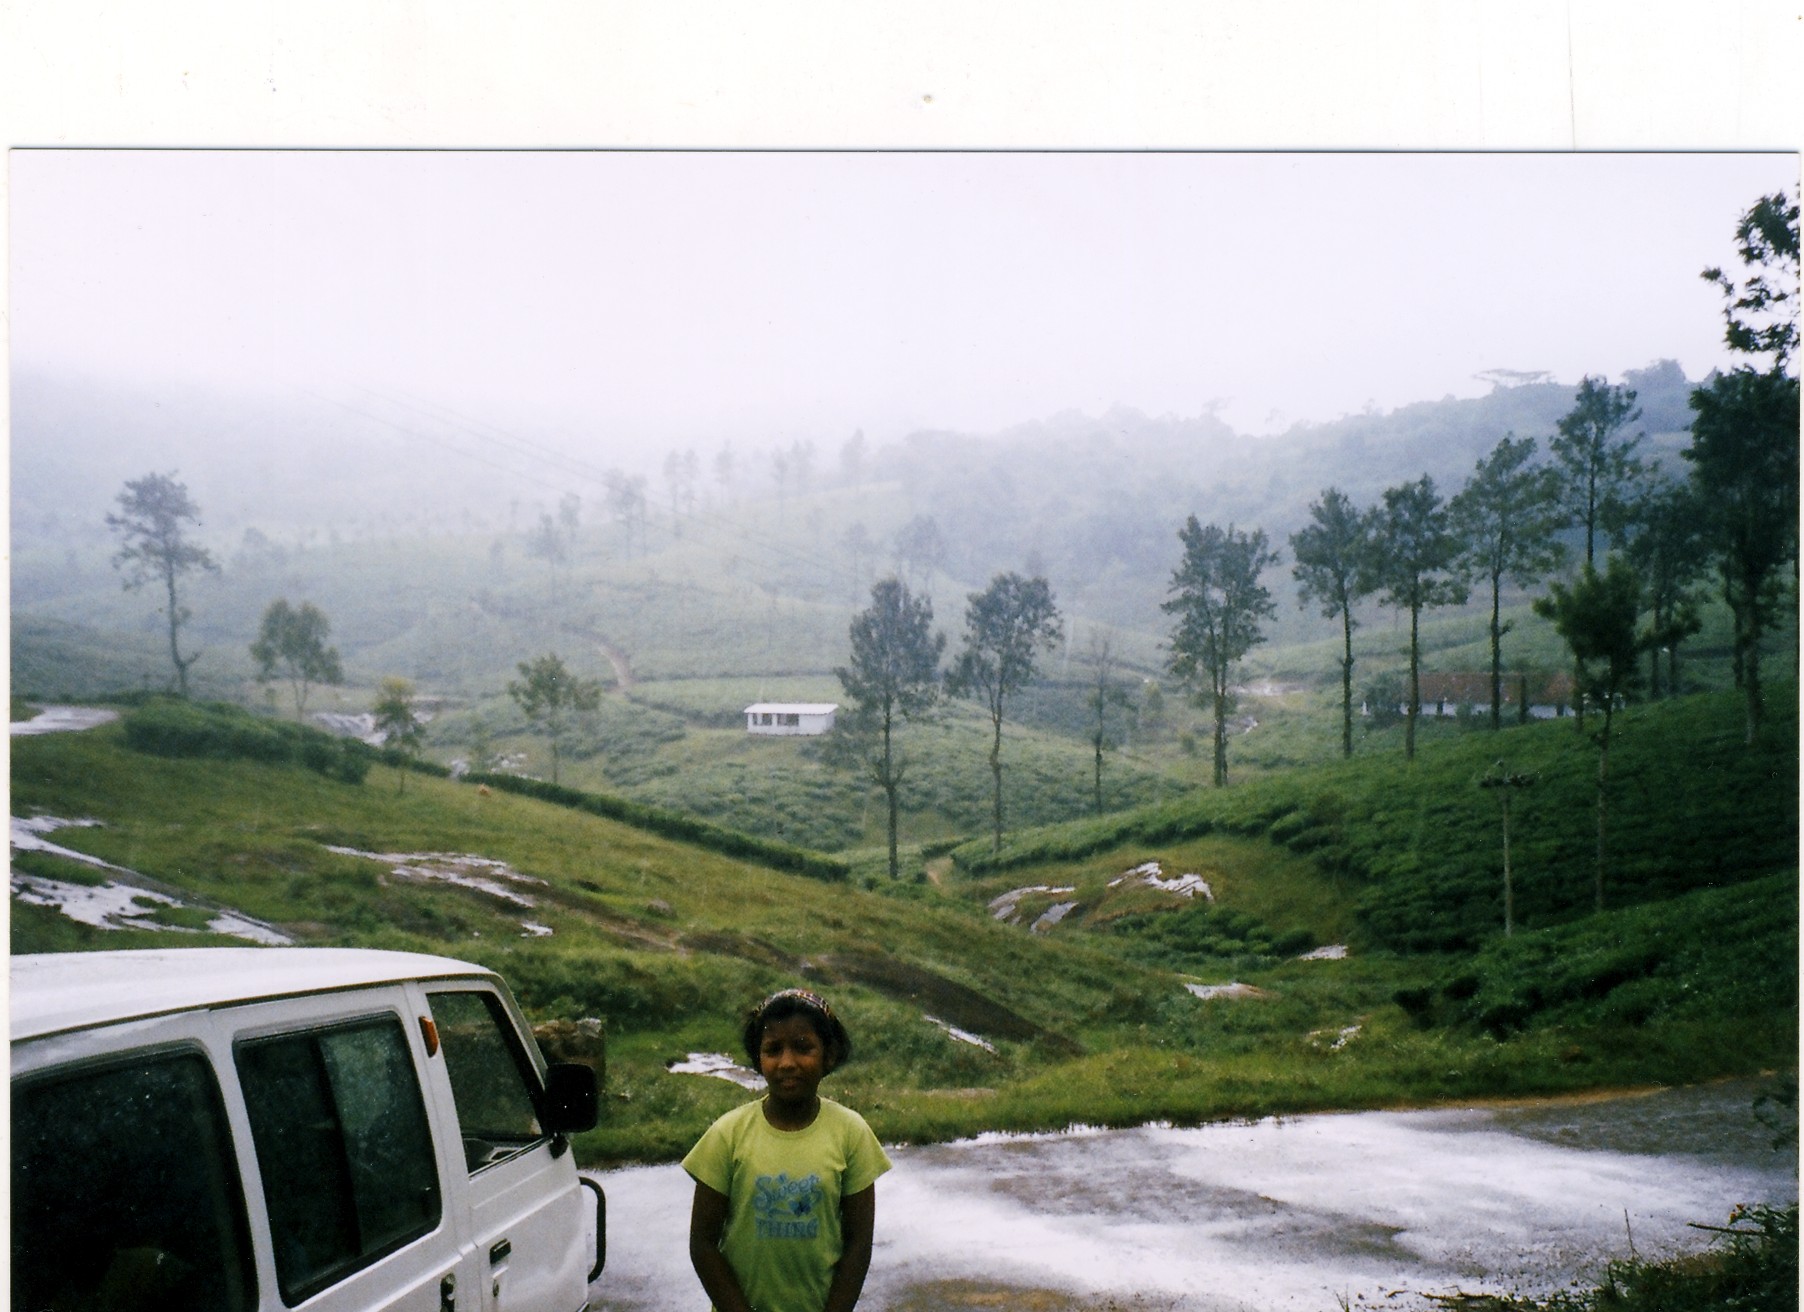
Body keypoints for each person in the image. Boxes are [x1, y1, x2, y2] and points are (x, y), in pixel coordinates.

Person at [683, 989, 892, 1312]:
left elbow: (858, 1244)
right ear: (758, 1058)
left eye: (803, 1047)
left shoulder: (851, 1133)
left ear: (829, 1054)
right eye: (773, 1049)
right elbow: (702, 1244)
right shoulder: (728, 1134)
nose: (787, 1062)